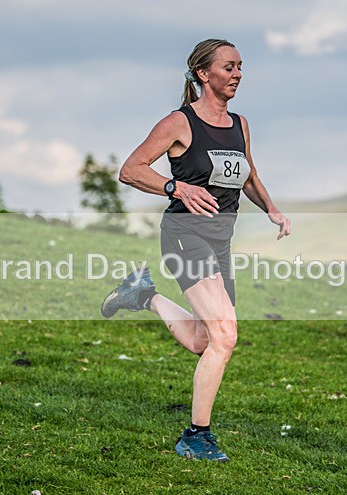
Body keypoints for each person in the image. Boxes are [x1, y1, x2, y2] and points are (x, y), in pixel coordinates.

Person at [101, 38, 290, 462]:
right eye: (228, 67)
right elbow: (130, 170)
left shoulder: (240, 124)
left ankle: (142, 295)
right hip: (185, 234)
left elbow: (248, 175)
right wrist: (176, 186)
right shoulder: (179, 122)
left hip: (220, 239)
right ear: (204, 74)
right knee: (226, 336)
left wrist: (273, 210)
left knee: (206, 340)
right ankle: (196, 436)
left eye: (240, 66)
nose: (237, 74)